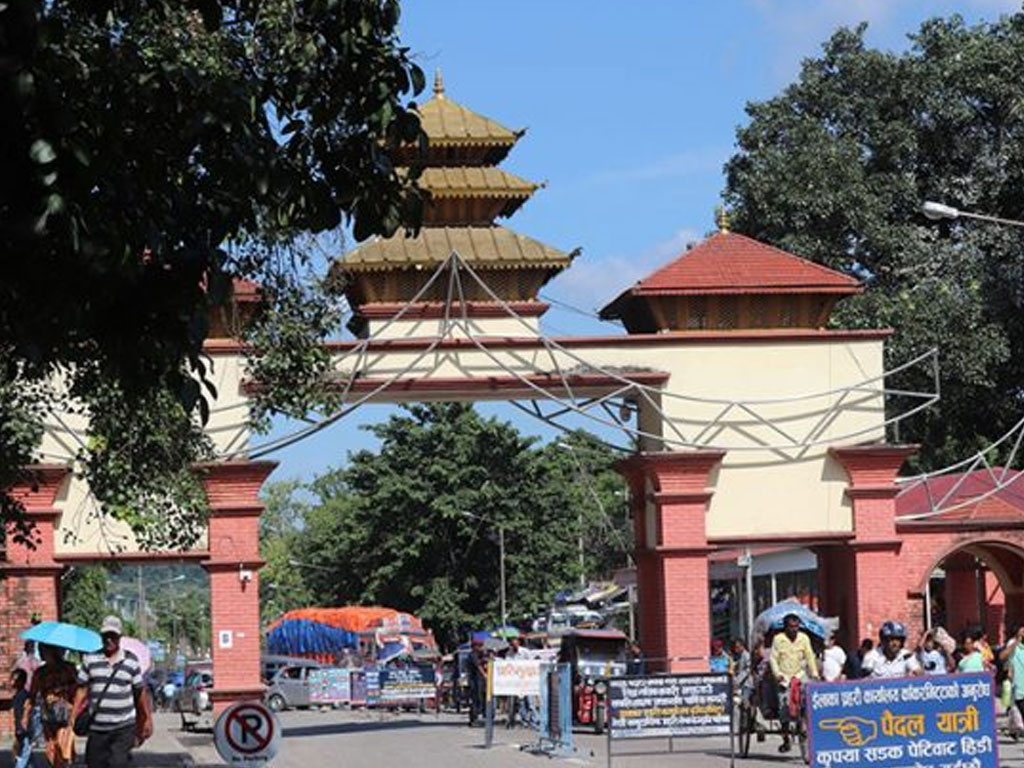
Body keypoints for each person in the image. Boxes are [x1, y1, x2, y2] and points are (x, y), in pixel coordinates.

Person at [73, 616, 153, 768]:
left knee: (118, 763)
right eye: (106, 636)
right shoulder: (90, 659)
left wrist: (147, 719)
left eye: (113, 636)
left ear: (119, 637)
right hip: (97, 728)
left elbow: (140, 693)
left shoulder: (131, 661)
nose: (109, 640)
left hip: (123, 727)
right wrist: (73, 715)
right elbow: (81, 690)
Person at [769, 614, 818, 753]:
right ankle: (786, 739)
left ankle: (805, 722)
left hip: (799, 675)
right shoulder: (778, 639)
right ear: (786, 627)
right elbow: (773, 659)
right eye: (791, 627)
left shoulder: (804, 638)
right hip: (784, 677)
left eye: (796, 626)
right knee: (784, 708)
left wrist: (814, 673)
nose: (794, 629)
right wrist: (777, 674)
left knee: (808, 698)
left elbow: (810, 656)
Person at [26, 643, 78, 768]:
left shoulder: (66, 669)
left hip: (63, 713)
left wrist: (60, 691)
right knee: (54, 745)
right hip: (51, 713)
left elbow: (78, 688)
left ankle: (63, 763)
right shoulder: (42, 672)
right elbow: (33, 694)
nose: (41, 653)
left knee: (61, 745)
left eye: (43, 650)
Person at [11, 669, 39, 768]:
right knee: (27, 754)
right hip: (19, 728)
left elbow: (28, 706)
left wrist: (25, 719)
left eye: (14, 680)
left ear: (21, 681)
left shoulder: (24, 695)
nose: (12, 682)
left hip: (26, 729)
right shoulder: (17, 695)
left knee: (23, 753)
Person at [1000, 625, 1024, 729]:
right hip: (1018, 682)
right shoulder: (1013, 644)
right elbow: (1002, 656)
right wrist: (1016, 641)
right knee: (1018, 706)